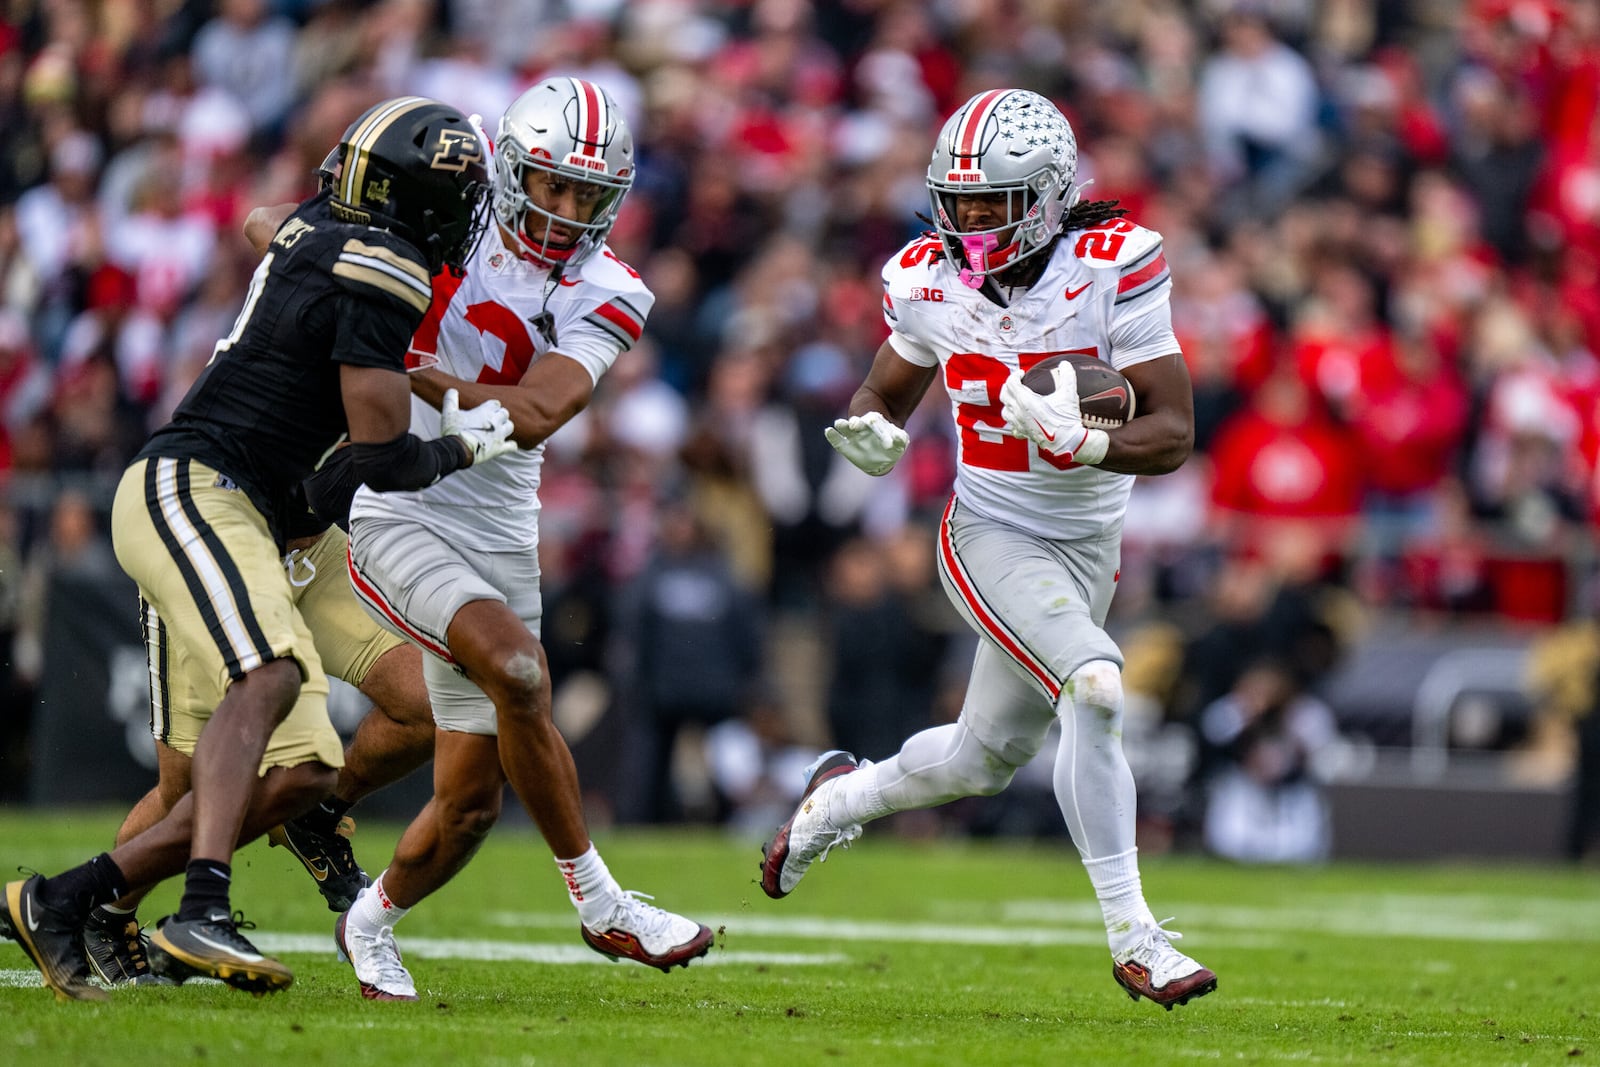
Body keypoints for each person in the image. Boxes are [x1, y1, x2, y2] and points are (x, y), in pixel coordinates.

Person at [0, 96, 512, 1001]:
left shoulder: (326, 229)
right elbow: (386, 455)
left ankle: (280, 830)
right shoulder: (387, 261)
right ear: (415, 200)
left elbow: (260, 217)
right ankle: (173, 904)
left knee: (337, 751)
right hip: (205, 490)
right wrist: (471, 441)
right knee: (206, 762)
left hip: (297, 530)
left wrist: (303, 244)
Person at [758, 88, 1218, 1010]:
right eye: (956, 203)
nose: (968, 224)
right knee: (1095, 683)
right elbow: (884, 387)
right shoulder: (926, 278)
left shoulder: (1112, 263)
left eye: (990, 205)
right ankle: (1137, 937)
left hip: (1088, 542)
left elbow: (1172, 430)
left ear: (1048, 196)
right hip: (990, 530)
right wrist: (872, 428)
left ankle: (836, 800)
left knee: (983, 757)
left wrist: (1084, 441)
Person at [327, 77, 713, 1000]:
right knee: (523, 671)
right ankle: (601, 900)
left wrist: (405, 368)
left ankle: (366, 917)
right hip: (399, 499)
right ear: (508, 170)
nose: (566, 210)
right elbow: (278, 223)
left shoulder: (611, 285)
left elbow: (538, 410)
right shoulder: (443, 213)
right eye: (550, 184)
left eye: (588, 194)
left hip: (498, 518)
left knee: (466, 806)